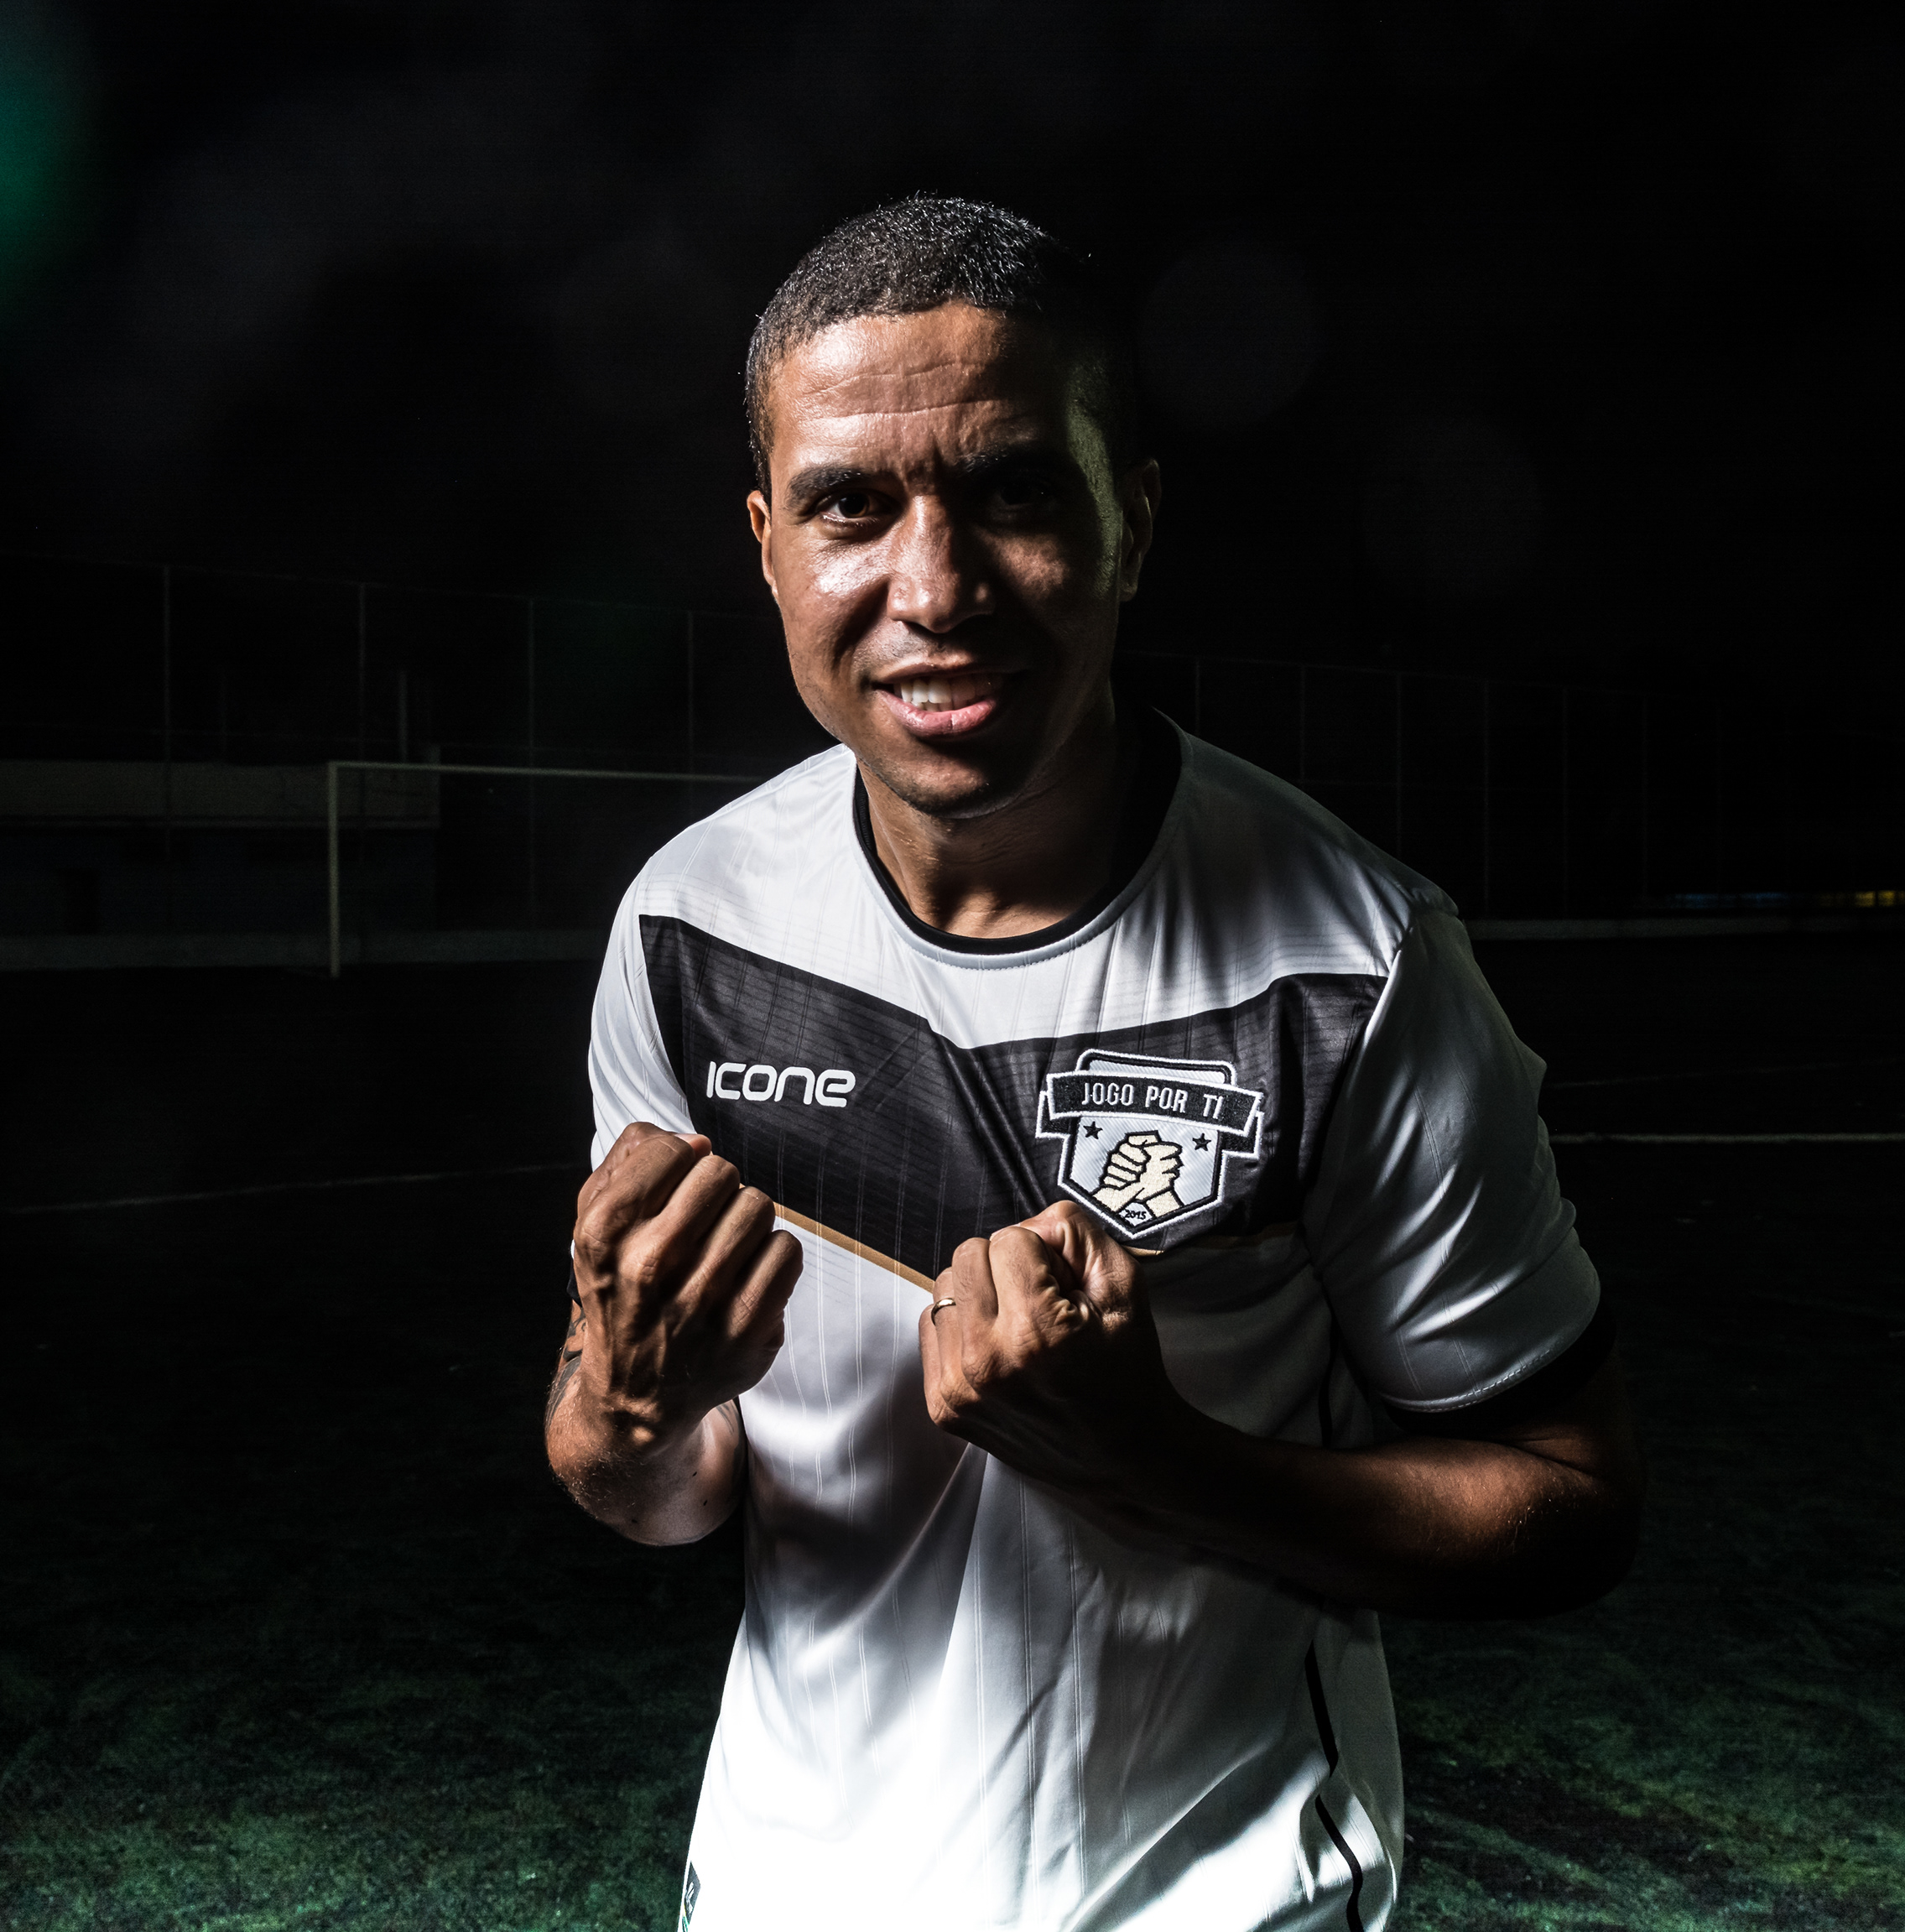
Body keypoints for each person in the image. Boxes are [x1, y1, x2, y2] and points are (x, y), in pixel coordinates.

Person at [543, 197, 1645, 1932]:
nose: (934, 591)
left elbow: (1569, 1507)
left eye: (1012, 492)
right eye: (850, 507)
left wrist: (1152, 1456)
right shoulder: (694, 930)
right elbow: (659, 1490)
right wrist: (628, 1404)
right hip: (779, 1887)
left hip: (1221, 1896)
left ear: (1132, 521)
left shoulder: (1350, 963)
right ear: (768, 547)